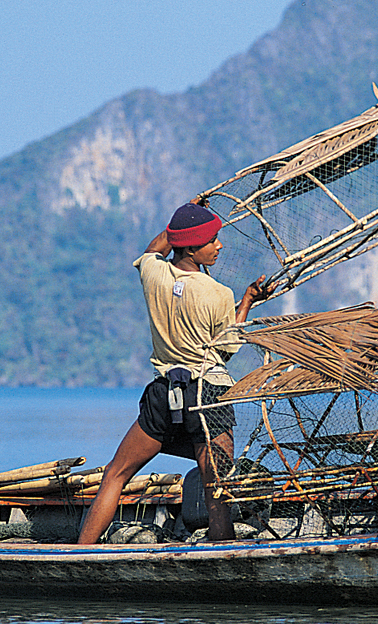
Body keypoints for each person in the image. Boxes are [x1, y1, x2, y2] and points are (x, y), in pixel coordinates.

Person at [77, 201, 274, 543]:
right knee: (217, 489)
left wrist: (184, 217)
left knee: (115, 473)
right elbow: (225, 349)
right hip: (207, 395)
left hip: (164, 393)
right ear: (192, 245)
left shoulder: (153, 274)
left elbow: (155, 248)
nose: (219, 246)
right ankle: (221, 558)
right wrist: (248, 301)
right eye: (212, 240)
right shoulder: (217, 294)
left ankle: (80, 553)